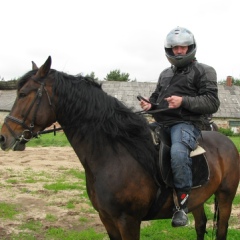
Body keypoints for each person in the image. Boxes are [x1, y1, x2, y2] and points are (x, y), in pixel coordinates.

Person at [140, 26, 220, 227]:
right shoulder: (165, 74)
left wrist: (183, 101)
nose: (179, 51)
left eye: (183, 47)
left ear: (191, 48)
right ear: (169, 49)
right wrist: (150, 105)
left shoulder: (205, 71)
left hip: (187, 123)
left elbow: (212, 102)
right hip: (161, 122)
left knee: (177, 152)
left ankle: (182, 205)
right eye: (175, 47)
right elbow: (158, 99)